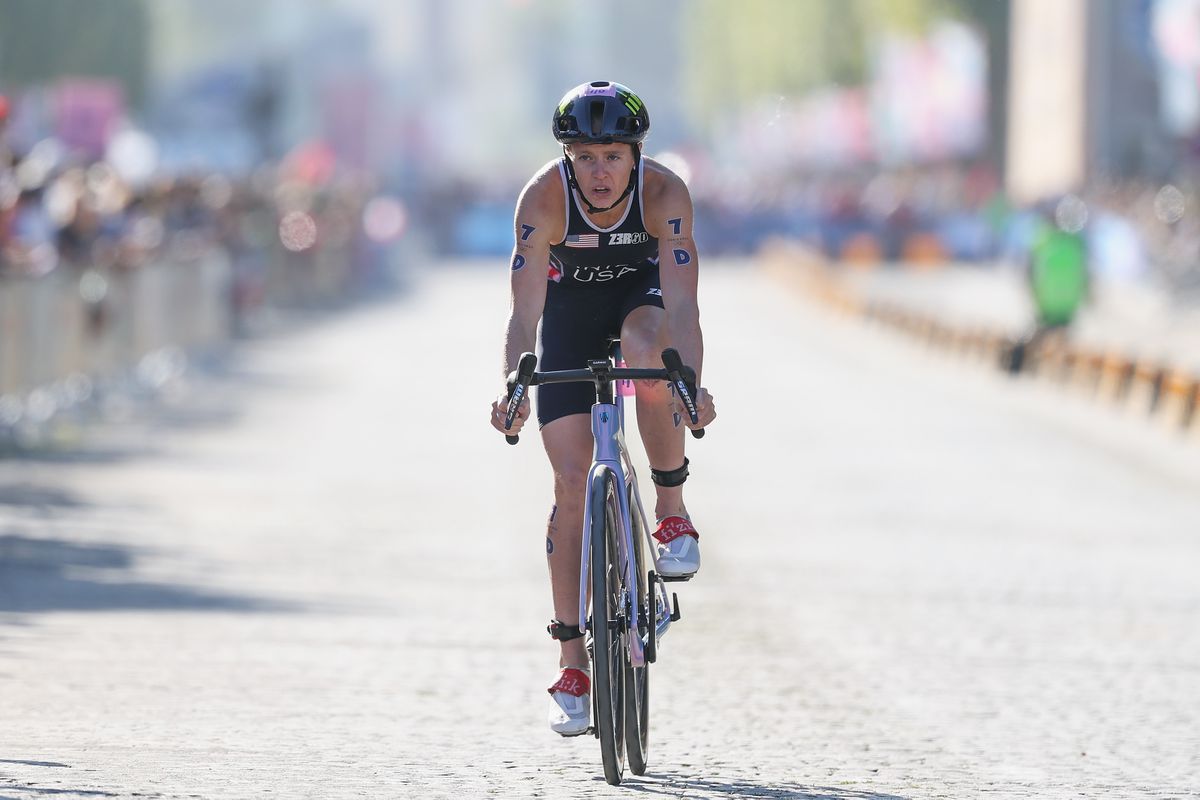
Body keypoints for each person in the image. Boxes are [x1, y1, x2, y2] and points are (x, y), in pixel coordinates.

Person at [489, 81, 717, 736]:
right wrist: (511, 386)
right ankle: (571, 661)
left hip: (642, 302)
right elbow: (524, 312)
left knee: (651, 355)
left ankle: (671, 513)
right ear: (565, 157)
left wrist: (691, 386)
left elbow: (685, 308)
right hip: (569, 317)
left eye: (612, 156)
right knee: (568, 483)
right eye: (584, 157)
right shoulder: (542, 199)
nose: (598, 172)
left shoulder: (666, 194)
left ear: (635, 154)